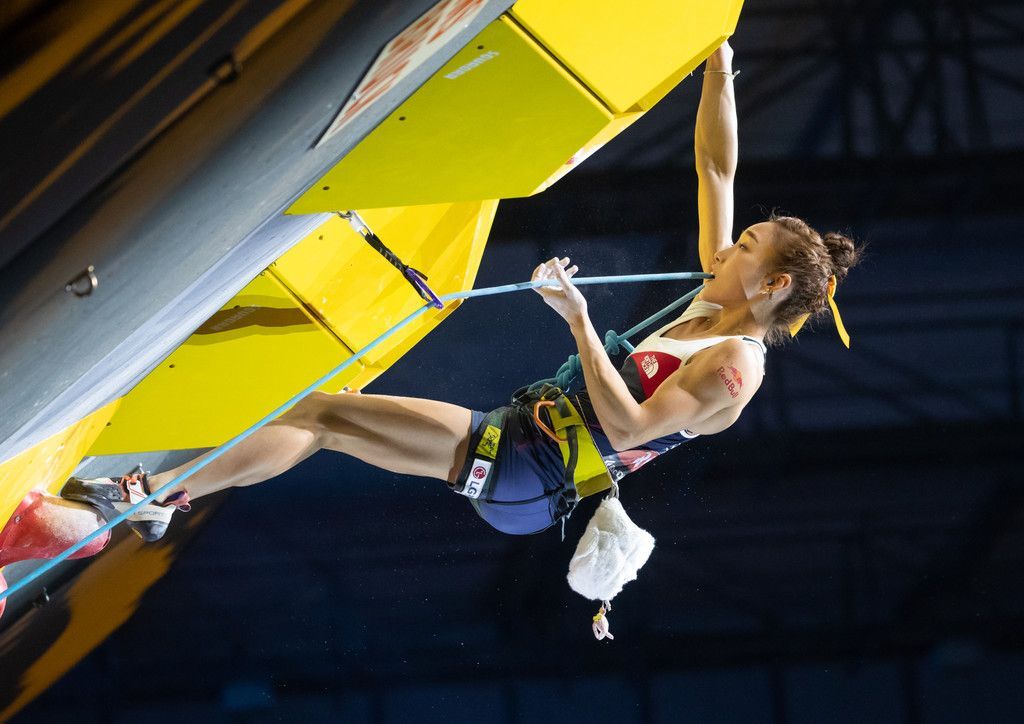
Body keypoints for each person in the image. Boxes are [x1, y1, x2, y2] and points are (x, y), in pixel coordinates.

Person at [59, 40, 861, 543]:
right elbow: (715, 168)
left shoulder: (732, 368)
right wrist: (718, 62)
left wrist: (580, 321)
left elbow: (630, 425)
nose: (726, 246)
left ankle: (152, 497)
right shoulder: (717, 296)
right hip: (521, 440)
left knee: (323, 413)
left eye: (745, 247)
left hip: (529, 472)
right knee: (328, 420)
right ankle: (159, 498)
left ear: (772, 286)